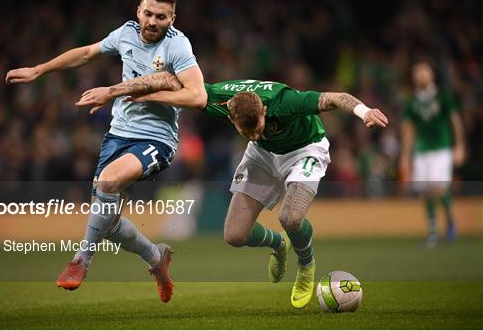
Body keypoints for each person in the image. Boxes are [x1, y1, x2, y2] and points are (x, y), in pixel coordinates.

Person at [75, 72, 388, 308]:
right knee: (234, 236)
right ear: (232, 118)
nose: (253, 134)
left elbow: (334, 97)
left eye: (258, 128)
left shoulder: (285, 100)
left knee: (291, 217)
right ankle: (279, 244)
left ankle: (306, 264)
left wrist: (364, 112)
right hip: (264, 156)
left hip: (304, 150)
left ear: (264, 112)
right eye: (246, 132)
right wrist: (117, 91)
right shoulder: (220, 100)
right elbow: (172, 79)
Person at [5, 0, 207, 302]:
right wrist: (38, 69)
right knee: (108, 221)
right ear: (138, 11)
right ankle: (156, 258)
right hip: (117, 135)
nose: (153, 21)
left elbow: (198, 96)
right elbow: (86, 53)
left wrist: (127, 91)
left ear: (172, 18)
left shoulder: (177, 46)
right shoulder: (125, 33)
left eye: (162, 16)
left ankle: (80, 260)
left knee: (109, 182)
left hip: (156, 138)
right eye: (148, 13)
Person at [400, 62, 465, 248]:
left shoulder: (443, 97)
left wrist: (460, 146)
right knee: (426, 191)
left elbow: (455, 121)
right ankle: (433, 230)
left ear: (432, 75)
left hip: (441, 149)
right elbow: (408, 130)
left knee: (438, 188)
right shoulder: (412, 102)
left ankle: (451, 221)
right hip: (421, 151)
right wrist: (405, 156)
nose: (420, 76)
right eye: (417, 73)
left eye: (424, 72)